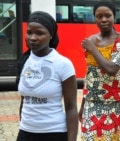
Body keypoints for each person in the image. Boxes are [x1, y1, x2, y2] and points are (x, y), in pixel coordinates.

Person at [16, 11, 78, 141]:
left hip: (54, 133)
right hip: (26, 132)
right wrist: (24, 124)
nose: (32, 37)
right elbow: (24, 100)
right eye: (29, 33)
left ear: (51, 35)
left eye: (39, 33)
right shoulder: (24, 61)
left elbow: (71, 108)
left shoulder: (63, 64)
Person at [78, 1, 120, 140]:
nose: (103, 20)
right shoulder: (90, 41)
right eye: (99, 16)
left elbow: (112, 69)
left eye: (108, 15)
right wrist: (83, 106)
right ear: (94, 18)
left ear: (114, 16)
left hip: (117, 105)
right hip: (92, 103)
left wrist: (93, 49)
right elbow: (90, 76)